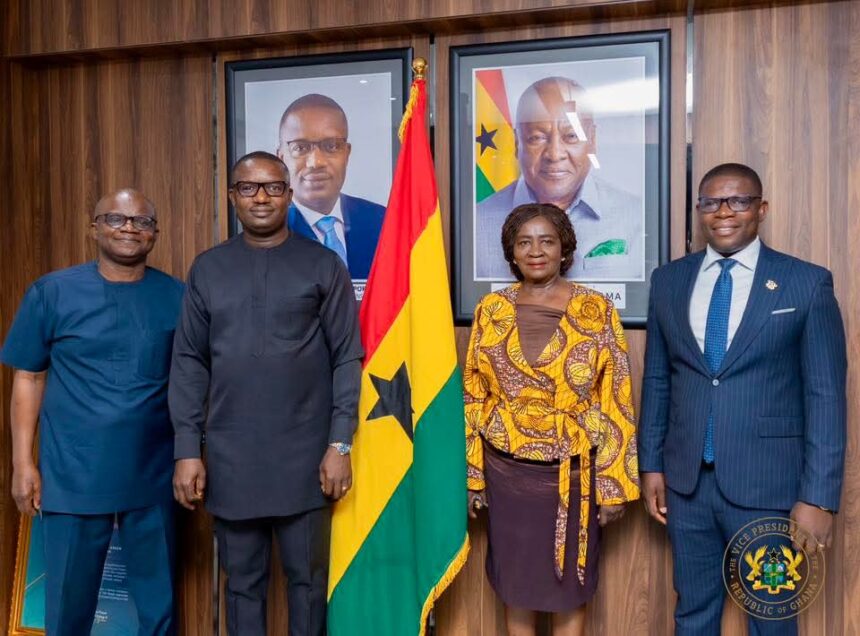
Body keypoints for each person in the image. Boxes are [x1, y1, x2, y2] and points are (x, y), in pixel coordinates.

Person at [638, 163, 847, 636]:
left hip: (770, 489)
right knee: (692, 613)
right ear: (699, 211)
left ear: (761, 209)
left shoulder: (805, 283)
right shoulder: (669, 281)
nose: (723, 212)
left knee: (772, 618)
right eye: (711, 202)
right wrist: (651, 464)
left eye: (738, 200)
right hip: (687, 487)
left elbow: (826, 397)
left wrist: (819, 497)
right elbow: (657, 379)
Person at [169, 151, 363, 636]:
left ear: (289, 195)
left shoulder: (322, 265)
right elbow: (190, 360)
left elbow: (347, 358)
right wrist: (187, 450)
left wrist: (340, 444)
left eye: (273, 187)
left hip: (306, 457)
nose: (261, 197)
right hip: (231, 459)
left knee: (308, 583)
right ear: (233, 196)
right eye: (249, 187)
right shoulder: (209, 269)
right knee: (243, 584)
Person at [1, 189, 183, 635]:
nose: (128, 228)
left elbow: (195, 381)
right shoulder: (52, 292)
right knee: (68, 609)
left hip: (154, 475)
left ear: (155, 234)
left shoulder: (178, 296)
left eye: (141, 222)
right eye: (116, 218)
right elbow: (29, 377)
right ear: (94, 228)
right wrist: (23, 462)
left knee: (157, 611)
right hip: (74, 474)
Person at [464, 203, 639, 636]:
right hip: (507, 472)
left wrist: (613, 485)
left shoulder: (596, 310)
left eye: (547, 240)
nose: (535, 251)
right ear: (512, 251)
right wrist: (474, 477)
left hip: (575, 472)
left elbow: (615, 397)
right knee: (517, 585)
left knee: (568, 586)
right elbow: (473, 396)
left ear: (565, 250)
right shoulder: (492, 310)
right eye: (524, 242)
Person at [476, 76, 643, 282]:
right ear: (517, 142)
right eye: (537, 138)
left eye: (571, 136)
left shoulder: (636, 216)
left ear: (592, 140)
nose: (554, 154)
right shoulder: (477, 223)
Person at [277, 93, 386, 280]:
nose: (315, 162)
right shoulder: (269, 232)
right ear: (281, 158)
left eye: (332, 146)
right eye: (300, 148)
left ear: (347, 153)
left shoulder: (382, 222)